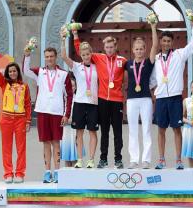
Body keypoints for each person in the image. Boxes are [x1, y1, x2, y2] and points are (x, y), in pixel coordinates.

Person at [72, 31, 127, 169]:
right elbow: (81, 50)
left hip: (117, 100)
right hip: (102, 99)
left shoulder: (123, 60)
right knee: (104, 131)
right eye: (107, 47)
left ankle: (118, 159)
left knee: (118, 131)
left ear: (115, 47)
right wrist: (75, 35)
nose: (109, 50)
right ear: (104, 48)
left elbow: (129, 76)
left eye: (111, 47)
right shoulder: (98, 57)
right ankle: (103, 159)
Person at [152, 18, 193, 170]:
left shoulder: (179, 54)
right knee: (161, 130)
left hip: (174, 97)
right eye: (164, 41)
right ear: (160, 42)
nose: (166, 43)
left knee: (177, 129)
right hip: (160, 99)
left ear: (172, 42)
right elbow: (152, 78)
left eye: (168, 41)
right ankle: (161, 160)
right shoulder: (157, 58)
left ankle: (178, 160)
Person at [23, 47, 73, 183]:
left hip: (57, 112)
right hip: (43, 111)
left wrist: (66, 114)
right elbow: (25, 71)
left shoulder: (63, 74)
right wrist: (27, 56)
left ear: (55, 57)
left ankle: (57, 172)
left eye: (51, 56)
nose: (49, 59)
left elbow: (69, 95)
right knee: (45, 142)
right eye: (47, 56)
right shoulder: (40, 72)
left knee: (56, 142)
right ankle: (47, 172)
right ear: (44, 58)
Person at [0, 60, 31, 184]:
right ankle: (8, 173)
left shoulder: (25, 86)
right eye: (10, 71)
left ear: (18, 72)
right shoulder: (4, 84)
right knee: (6, 148)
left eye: (14, 71)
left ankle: (19, 173)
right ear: (8, 73)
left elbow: (28, 104)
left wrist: (28, 120)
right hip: (6, 119)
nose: (12, 73)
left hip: (20, 119)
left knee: (21, 148)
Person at [61, 32, 98, 168]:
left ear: (91, 54)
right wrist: (63, 39)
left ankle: (91, 160)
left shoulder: (96, 67)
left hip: (93, 103)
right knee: (79, 132)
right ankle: (80, 159)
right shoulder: (76, 66)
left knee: (93, 131)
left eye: (88, 54)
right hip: (80, 103)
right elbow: (64, 57)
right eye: (83, 55)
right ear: (80, 55)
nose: (86, 56)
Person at [125, 22, 158, 169]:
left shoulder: (149, 62)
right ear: (133, 50)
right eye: (136, 49)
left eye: (141, 49)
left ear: (145, 50)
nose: (139, 51)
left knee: (146, 129)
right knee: (132, 129)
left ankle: (146, 160)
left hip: (145, 99)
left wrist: (152, 27)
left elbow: (155, 46)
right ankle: (133, 159)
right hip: (131, 99)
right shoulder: (128, 63)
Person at [181, 80, 193, 182]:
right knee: (190, 156)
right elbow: (181, 117)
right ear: (190, 89)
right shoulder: (186, 100)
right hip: (189, 130)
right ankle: (191, 180)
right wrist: (190, 122)